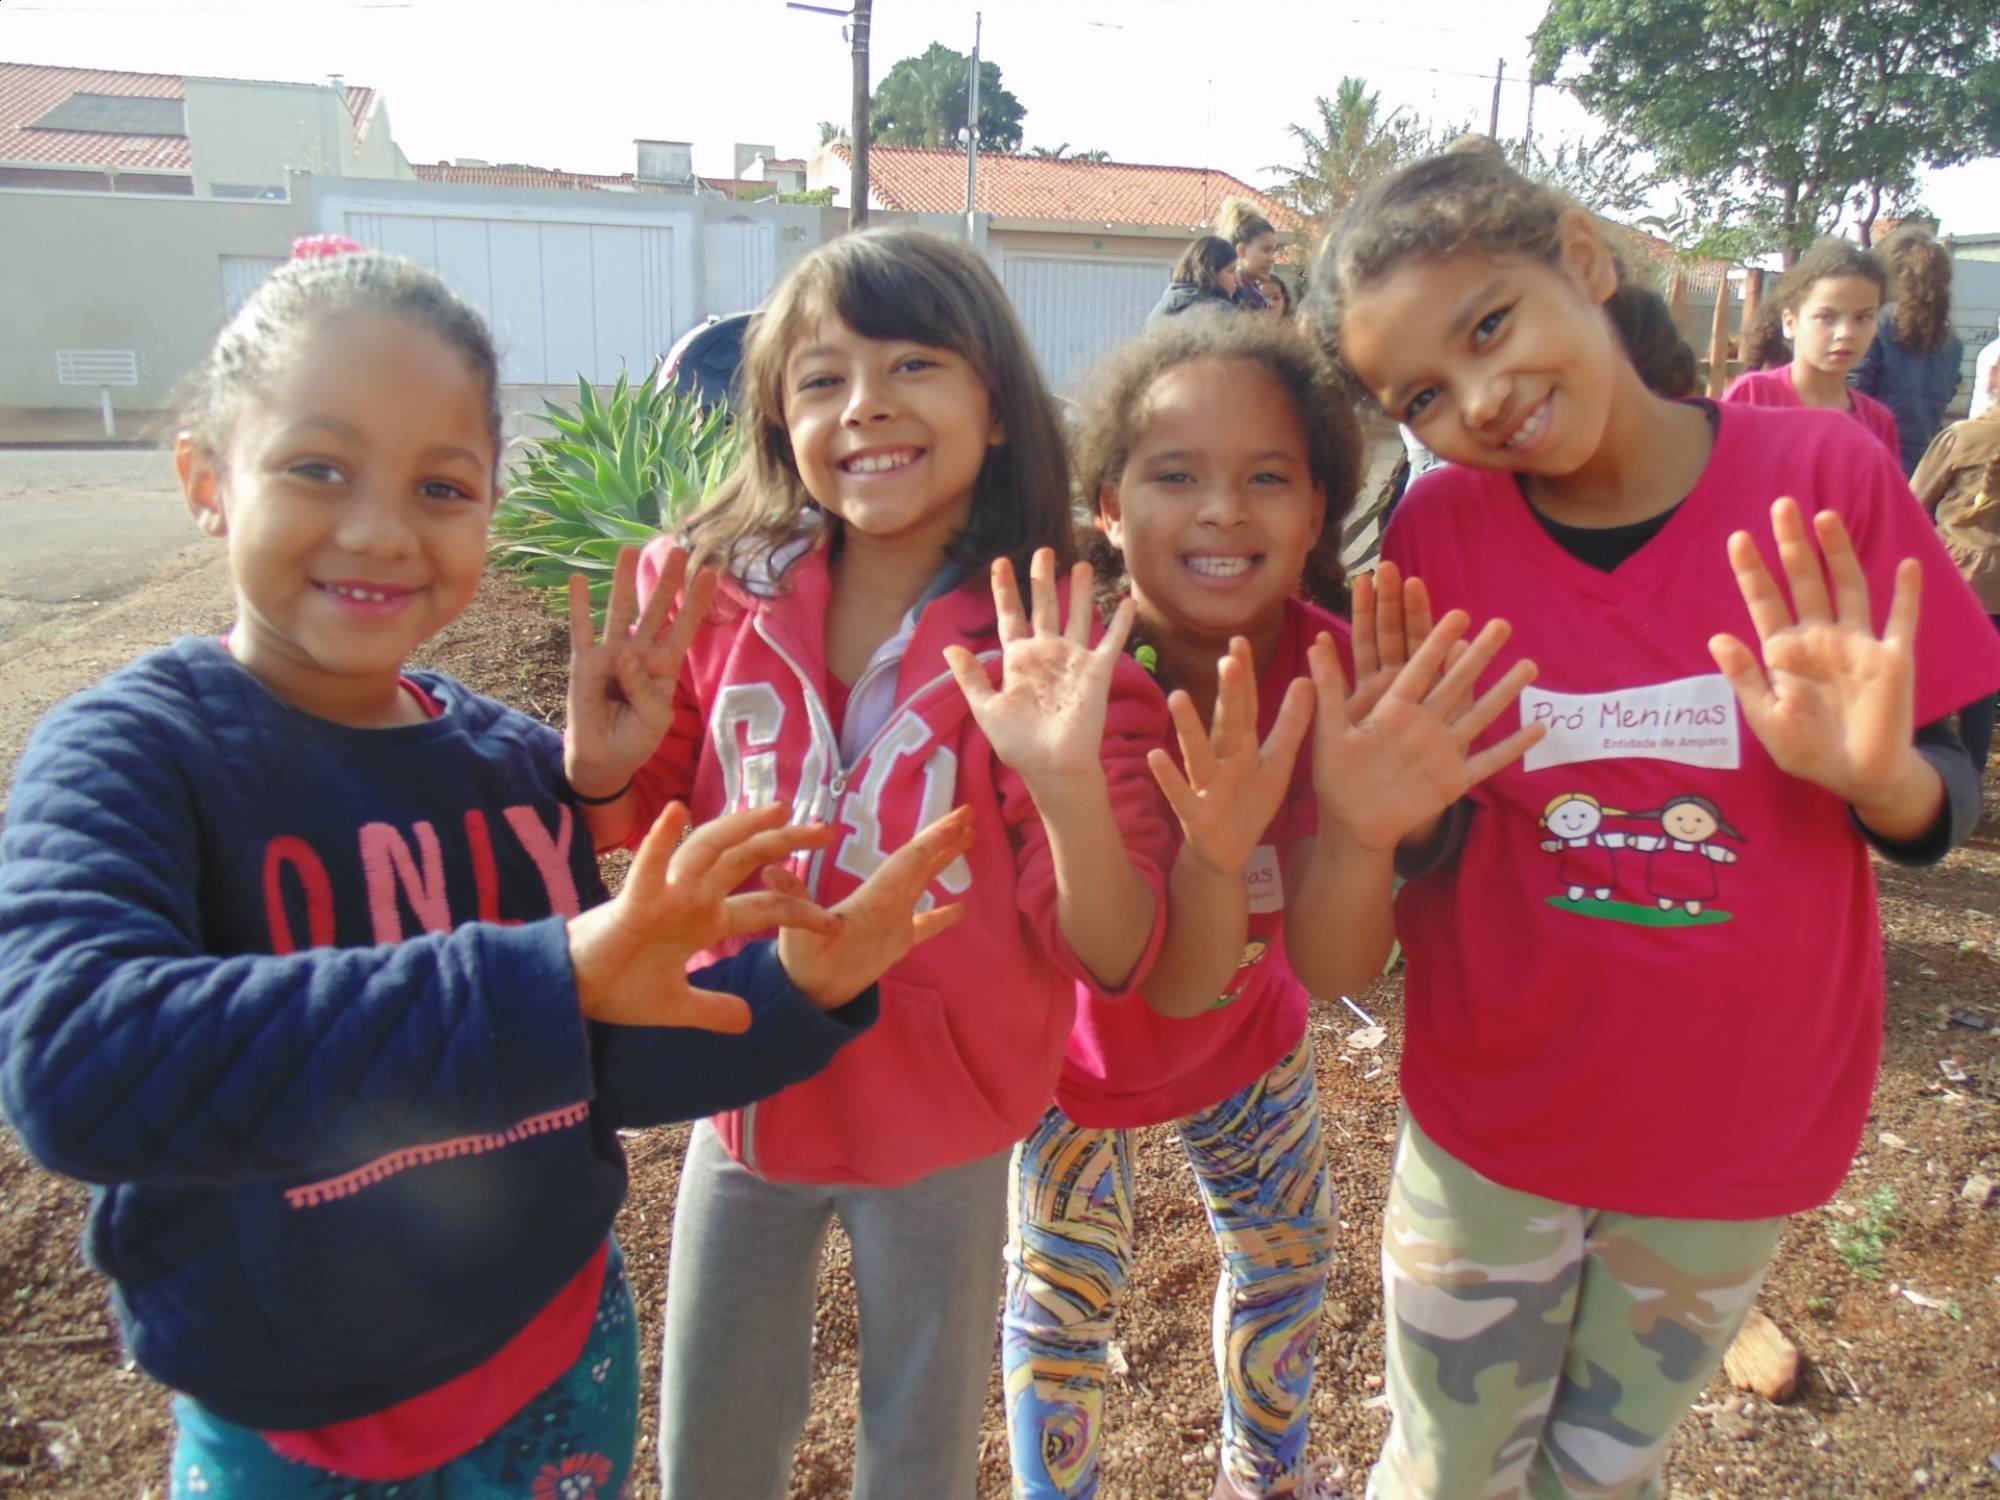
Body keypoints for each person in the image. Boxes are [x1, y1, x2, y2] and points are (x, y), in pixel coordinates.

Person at [0, 248, 972, 1499]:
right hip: (296, 1433)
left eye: (442, 485)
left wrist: (796, 990)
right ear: (204, 478)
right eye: (316, 468)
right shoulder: (134, 751)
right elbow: (79, 1067)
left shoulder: (513, 773)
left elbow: (595, 1059)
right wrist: (550, 973)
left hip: (559, 1375)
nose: (379, 528)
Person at [1306, 149, 2000, 1499]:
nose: (1483, 399)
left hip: (1732, 1136)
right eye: (1424, 396)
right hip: (1494, 1129)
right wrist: (1381, 823)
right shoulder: (1441, 538)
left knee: (1605, 1471)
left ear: (1582, 257)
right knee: (1445, 1472)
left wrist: (1881, 781)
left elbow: (1940, 794)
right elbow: (1411, 864)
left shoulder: (1823, 485)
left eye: (1490, 324)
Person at [557, 226, 1176, 1500]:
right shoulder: (710, 595)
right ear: (779, 418)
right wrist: (604, 773)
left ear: (996, 407)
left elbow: (1110, 949)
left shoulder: (1046, 636)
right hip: (742, 1089)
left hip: (943, 1119)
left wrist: (1062, 783)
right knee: (709, 1444)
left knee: (920, 1445)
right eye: (821, 377)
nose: (865, 408)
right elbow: (640, 842)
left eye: (913, 365)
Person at [1001, 313, 1542, 1500]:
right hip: (1077, 1066)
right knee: (1063, 1300)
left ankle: (1270, 1479)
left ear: (1317, 513)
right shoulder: (1076, 688)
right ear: (1105, 506)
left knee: (1290, 1267)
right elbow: (1130, 967)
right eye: (1174, 475)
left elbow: (1337, 963)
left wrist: (1356, 831)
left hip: (1250, 1045)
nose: (1221, 510)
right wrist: (1206, 850)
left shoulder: (1335, 679)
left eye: (1266, 479)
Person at [1722, 238, 1900, 458]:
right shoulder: (1753, 395)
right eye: (1826, 317)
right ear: (1790, 322)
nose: (1846, 332)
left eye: (1863, 317)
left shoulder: (1878, 422)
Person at [1913, 407, 2000, 770]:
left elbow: (1913, 500)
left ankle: (1924, 775)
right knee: (1984, 688)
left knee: (1929, 678)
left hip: (1956, 579)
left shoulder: (1961, 438)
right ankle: (1972, 776)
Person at [1854, 228, 1965, 474]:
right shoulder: (1951, 341)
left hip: (1869, 461)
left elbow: (1854, 394)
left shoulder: (1876, 323)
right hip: (1920, 468)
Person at [1152, 236, 1242, 324]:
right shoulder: (1221, 314)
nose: (1238, 279)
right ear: (1210, 272)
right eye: (1231, 271)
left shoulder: (1159, 311)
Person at [1216, 197, 1280, 312]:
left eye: (1273, 252)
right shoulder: (1233, 298)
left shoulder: (1253, 295)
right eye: (1266, 250)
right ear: (1242, 250)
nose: (1272, 259)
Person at [1975, 313, 2000, 421]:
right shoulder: (1995, 352)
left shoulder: (1989, 350)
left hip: (1981, 417)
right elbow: (1991, 386)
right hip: (1991, 420)